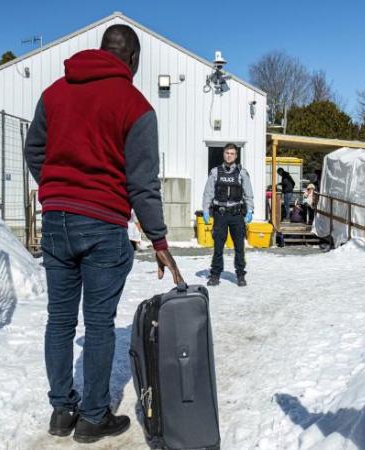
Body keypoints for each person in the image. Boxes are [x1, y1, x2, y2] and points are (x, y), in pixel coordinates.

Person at [23, 24, 183, 444]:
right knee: (97, 324)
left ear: (100, 51)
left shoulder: (54, 93)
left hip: (55, 220)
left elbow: (33, 150)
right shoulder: (136, 105)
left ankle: (61, 411)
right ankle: (93, 417)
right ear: (132, 60)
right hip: (102, 224)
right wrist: (160, 241)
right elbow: (142, 184)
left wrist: (58, 188)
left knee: (59, 319)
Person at [201, 143, 254, 287]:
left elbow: (248, 194)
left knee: (239, 247)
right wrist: (206, 210)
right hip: (220, 214)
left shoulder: (242, 173)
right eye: (227, 153)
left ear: (236, 156)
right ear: (223, 154)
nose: (229, 155)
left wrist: (250, 210)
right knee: (218, 246)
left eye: (232, 153)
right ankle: (215, 275)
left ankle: (241, 274)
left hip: (237, 214)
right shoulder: (215, 172)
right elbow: (208, 193)